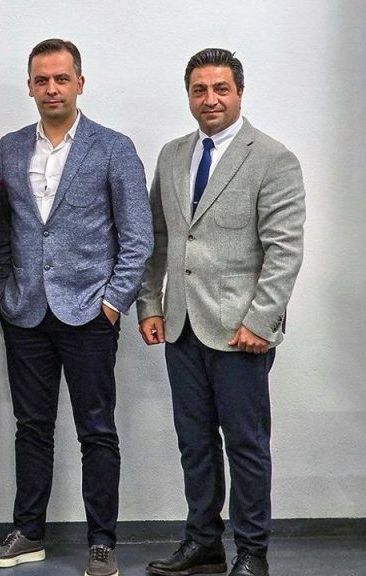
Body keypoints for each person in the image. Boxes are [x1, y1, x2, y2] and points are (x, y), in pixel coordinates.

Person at [0, 38, 153, 576]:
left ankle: (101, 542)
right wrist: (4, 292)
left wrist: (113, 302)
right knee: (31, 427)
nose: (51, 88)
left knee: (96, 430)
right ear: (30, 86)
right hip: (26, 313)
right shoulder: (10, 148)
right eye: (42, 80)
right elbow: (0, 232)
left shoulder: (113, 147)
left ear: (80, 82)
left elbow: (137, 238)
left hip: (89, 313)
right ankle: (28, 533)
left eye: (61, 79)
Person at [137, 48, 305, 576]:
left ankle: (252, 552)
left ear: (239, 92)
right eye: (199, 90)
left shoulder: (272, 157)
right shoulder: (172, 155)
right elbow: (158, 236)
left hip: (240, 331)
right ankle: (203, 543)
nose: (210, 99)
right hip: (181, 326)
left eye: (220, 89)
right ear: (189, 95)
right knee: (194, 443)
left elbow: (284, 250)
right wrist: (150, 303)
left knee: (246, 446)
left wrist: (260, 321)